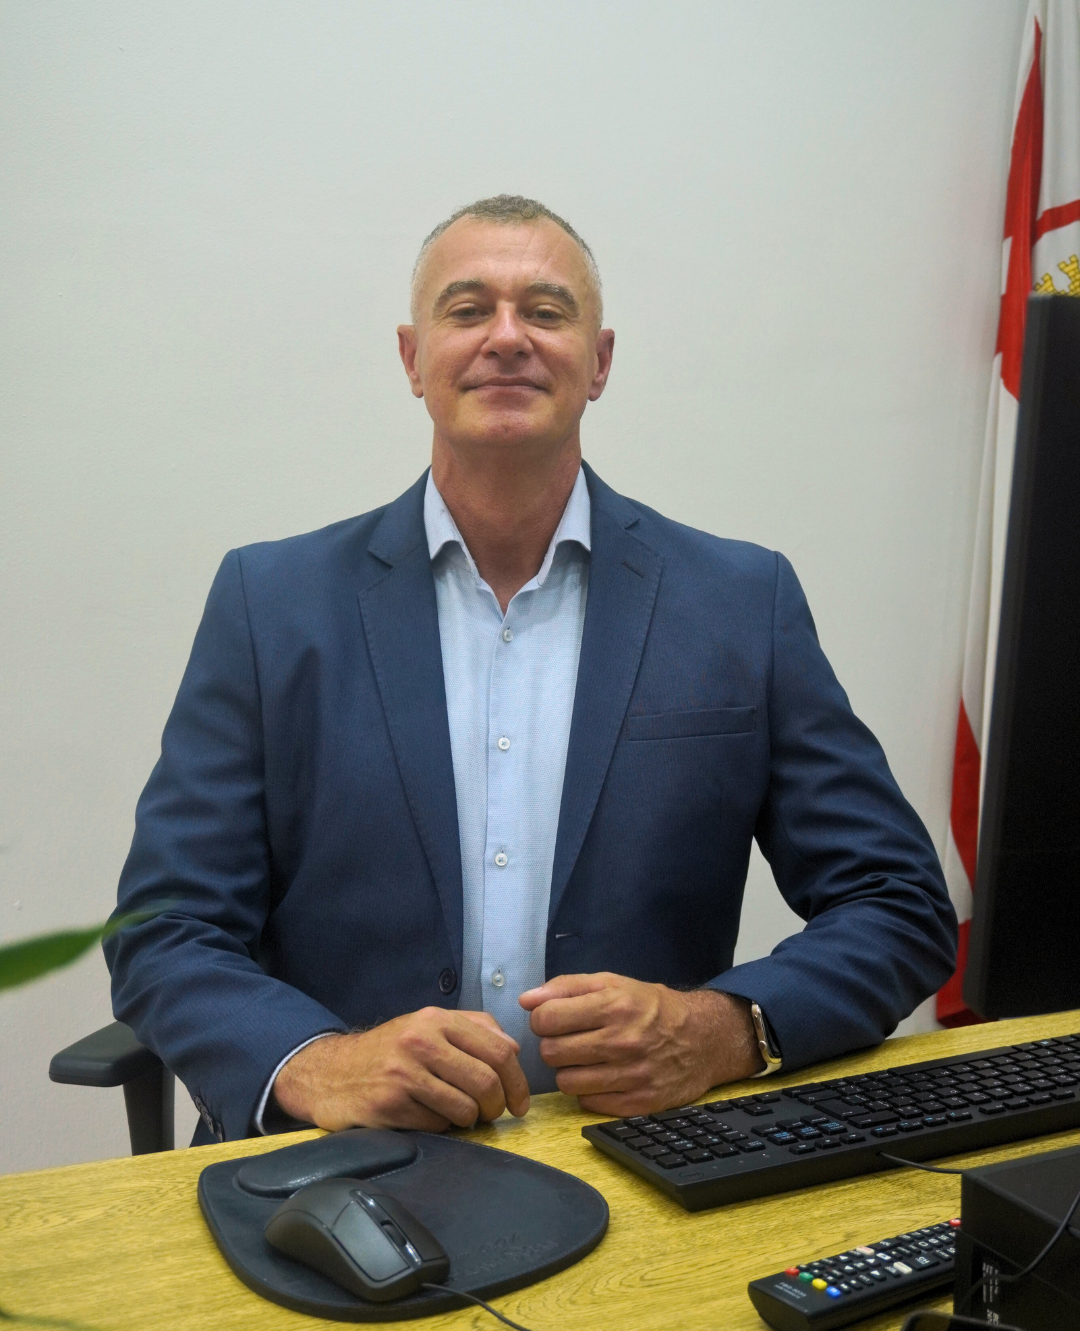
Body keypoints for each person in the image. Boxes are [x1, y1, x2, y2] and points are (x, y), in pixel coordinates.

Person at [105, 195, 956, 1147]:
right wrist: (315, 1061)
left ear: (599, 362)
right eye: (468, 310)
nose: (507, 338)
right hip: (332, 1175)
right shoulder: (271, 604)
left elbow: (898, 904)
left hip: (640, 1163)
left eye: (546, 312)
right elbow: (164, 929)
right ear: (412, 359)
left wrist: (724, 1031)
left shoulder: (738, 603)